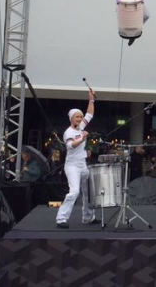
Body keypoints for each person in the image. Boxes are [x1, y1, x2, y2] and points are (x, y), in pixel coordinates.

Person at [56, 90, 98, 229]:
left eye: (80, 117)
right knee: (74, 191)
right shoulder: (69, 132)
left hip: (83, 165)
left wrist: (91, 99)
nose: (80, 119)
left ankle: (88, 217)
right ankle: (61, 218)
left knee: (88, 192)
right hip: (72, 166)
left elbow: (90, 114)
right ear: (71, 118)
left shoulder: (81, 127)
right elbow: (70, 146)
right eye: (77, 117)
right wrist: (82, 139)